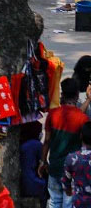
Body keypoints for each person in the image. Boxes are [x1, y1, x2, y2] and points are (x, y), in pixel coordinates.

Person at [45, 79, 89, 208]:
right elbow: (78, 116)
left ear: (62, 94)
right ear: (76, 95)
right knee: (68, 203)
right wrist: (88, 99)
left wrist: (43, 161)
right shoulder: (83, 119)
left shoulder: (52, 114)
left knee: (54, 201)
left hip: (54, 167)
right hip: (72, 170)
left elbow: (47, 141)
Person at [62, 122, 91, 208]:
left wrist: (70, 191)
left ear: (81, 136)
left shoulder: (71, 158)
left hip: (79, 204)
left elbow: (66, 185)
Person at [21, 121, 49, 201]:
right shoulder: (37, 145)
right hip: (34, 183)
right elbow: (43, 163)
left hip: (23, 183)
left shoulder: (23, 145)